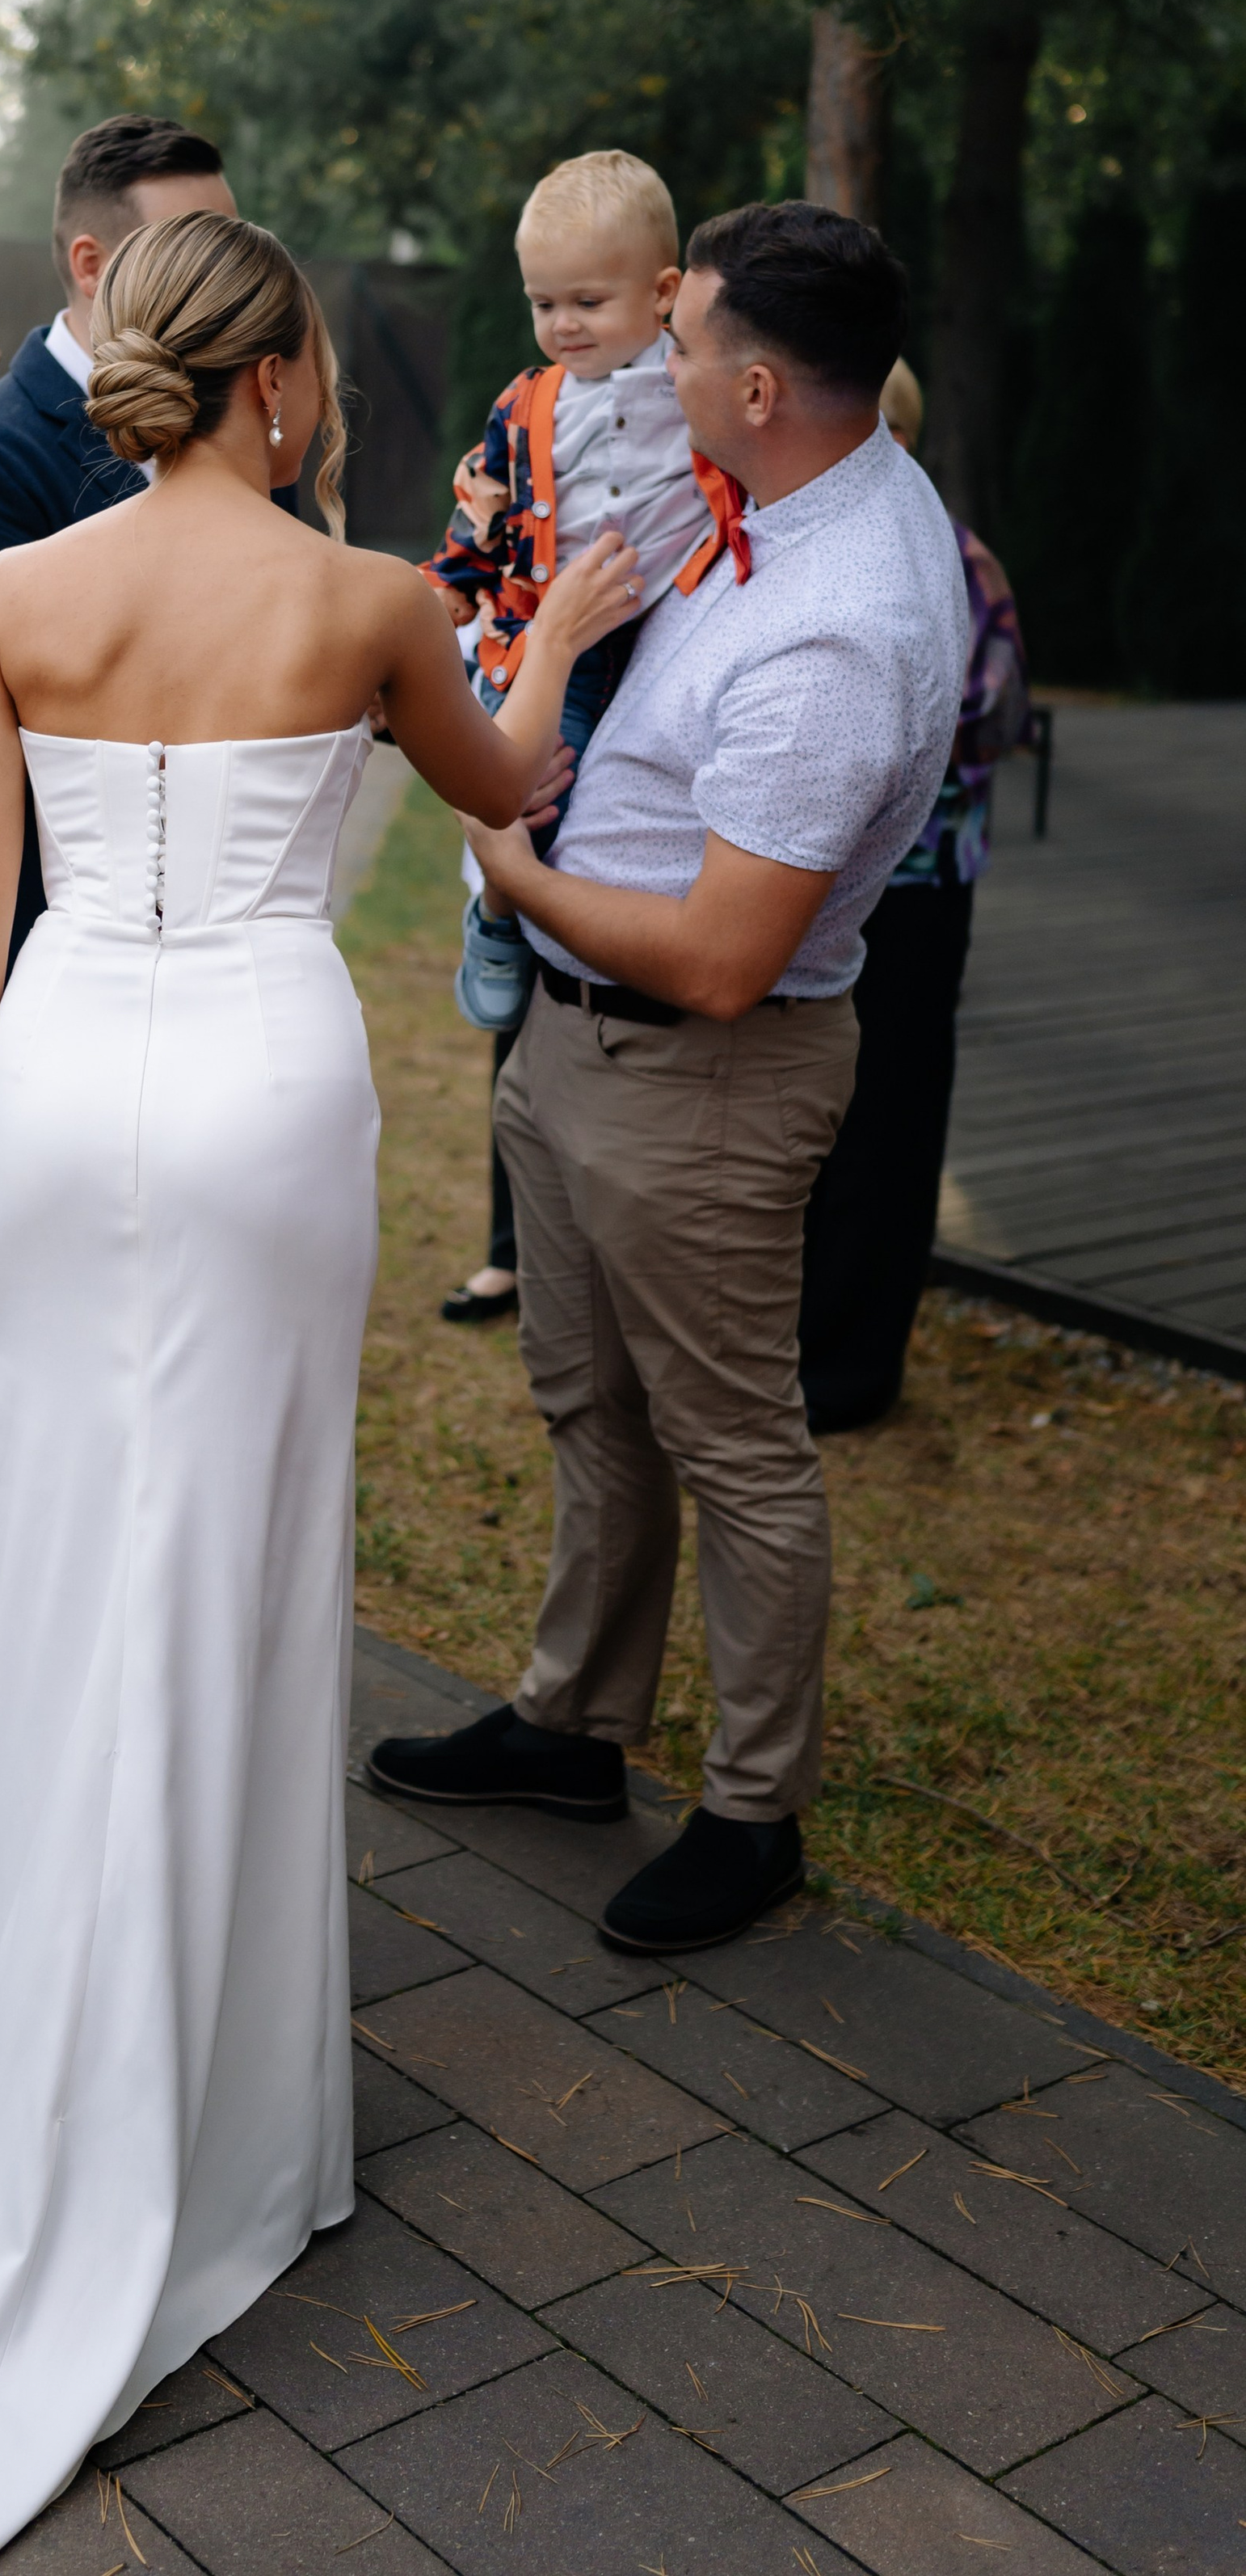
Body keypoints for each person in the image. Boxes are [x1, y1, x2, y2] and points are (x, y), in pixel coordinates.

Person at [0, 210, 644, 2576]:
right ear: (278, 383)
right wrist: (551, 619)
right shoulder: (369, 605)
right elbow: (508, 788)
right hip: (250, 1092)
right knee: (233, 1563)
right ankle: (221, 2119)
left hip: (54, 1078)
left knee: (49, 1564)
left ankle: (37, 2049)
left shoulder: (14, 588)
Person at [368, 201, 969, 1955]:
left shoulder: (837, 626)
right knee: (591, 1404)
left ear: (760, 383)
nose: (655, 361)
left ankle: (751, 1810)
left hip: (695, 1072)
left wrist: (507, 857)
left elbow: (719, 957)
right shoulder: (772, 501)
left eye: (683, 340)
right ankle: (571, 1724)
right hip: (578, 1042)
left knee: (729, 1443)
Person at [424, 150, 731, 1325]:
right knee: (527, 788)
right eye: (543, 302)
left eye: (586, 303)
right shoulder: (526, 404)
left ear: (661, 293)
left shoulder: (694, 386)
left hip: (651, 637)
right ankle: (497, 913)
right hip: (544, 634)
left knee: (599, 808)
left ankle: (546, 935)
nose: (561, 325)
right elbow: (482, 521)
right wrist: (449, 590)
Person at [0, 113, 238, 966]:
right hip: (56, 947)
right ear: (92, 266)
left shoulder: (243, 431)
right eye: (189, 249)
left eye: (228, 246)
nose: (226, 279)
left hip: (227, 939)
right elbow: (20, 732)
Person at [798, 357, 1031, 1430]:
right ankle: (819, 1341)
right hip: (865, 877)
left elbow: (991, 716)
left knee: (886, 1116)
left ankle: (851, 1361)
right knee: (841, 1113)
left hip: (919, 886)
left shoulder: (949, 559)